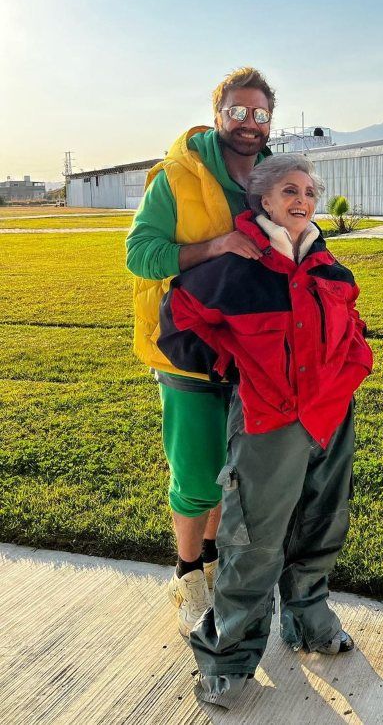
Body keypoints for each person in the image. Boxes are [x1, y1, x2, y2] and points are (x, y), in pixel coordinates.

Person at [157, 153, 373, 710]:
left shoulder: (330, 269)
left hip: (329, 416)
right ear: (265, 200)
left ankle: (310, 623)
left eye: (308, 191)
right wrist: (230, 364)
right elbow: (178, 316)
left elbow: (353, 327)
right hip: (268, 420)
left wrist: (352, 369)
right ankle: (226, 661)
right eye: (288, 191)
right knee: (252, 542)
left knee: (322, 525)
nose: (301, 201)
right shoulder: (237, 265)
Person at [125, 67, 275, 637]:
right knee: (195, 473)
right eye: (237, 111)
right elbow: (141, 253)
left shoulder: (270, 176)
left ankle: (212, 564)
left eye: (259, 114)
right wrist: (218, 244)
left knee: (230, 470)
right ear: (218, 114)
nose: (248, 123)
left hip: (247, 350)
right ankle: (187, 575)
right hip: (185, 347)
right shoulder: (177, 176)